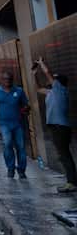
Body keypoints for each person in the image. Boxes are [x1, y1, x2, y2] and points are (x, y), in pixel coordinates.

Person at [35, 60, 77, 193]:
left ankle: (72, 183)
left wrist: (41, 64)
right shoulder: (52, 92)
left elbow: (48, 74)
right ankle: (71, 181)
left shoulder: (60, 89)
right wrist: (35, 74)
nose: (51, 80)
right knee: (63, 154)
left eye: (54, 79)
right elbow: (38, 89)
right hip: (56, 126)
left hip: (60, 127)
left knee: (64, 155)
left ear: (58, 82)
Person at [0, 70, 30, 179]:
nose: (7, 81)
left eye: (9, 79)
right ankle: (10, 168)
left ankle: (21, 170)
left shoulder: (19, 91)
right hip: (4, 124)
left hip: (18, 123)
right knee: (7, 144)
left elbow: (26, 104)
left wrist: (26, 109)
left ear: (12, 80)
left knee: (20, 147)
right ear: (1, 80)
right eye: (5, 79)